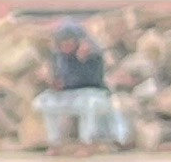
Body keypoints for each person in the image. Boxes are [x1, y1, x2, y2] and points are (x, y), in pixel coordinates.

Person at [35, 18, 131, 154]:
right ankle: (54, 143)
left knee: (88, 104)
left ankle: (87, 143)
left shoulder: (92, 53)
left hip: (95, 94)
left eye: (69, 42)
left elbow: (90, 77)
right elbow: (60, 82)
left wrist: (85, 57)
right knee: (44, 103)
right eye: (63, 43)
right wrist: (51, 81)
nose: (66, 46)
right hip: (70, 96)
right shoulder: (59, 57)